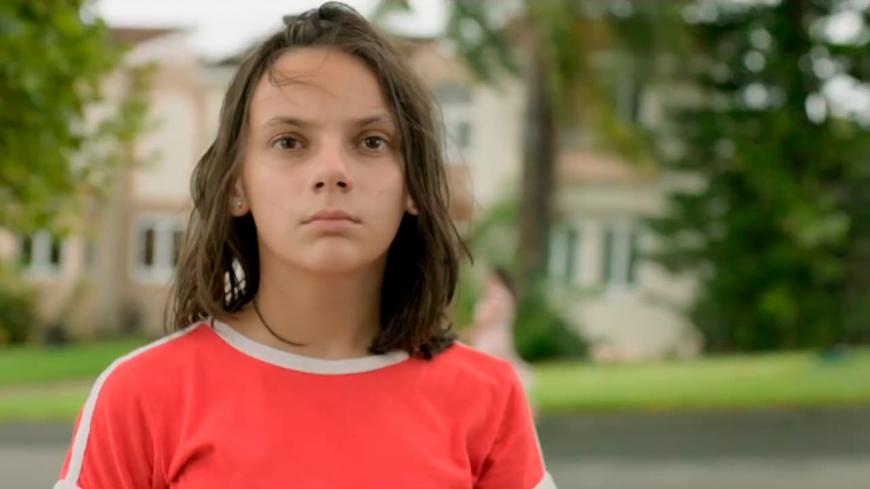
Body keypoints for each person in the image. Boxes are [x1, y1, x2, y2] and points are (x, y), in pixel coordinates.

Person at [54, 3, 557, 488]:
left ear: (411, 185)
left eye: (371, 141)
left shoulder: (487, 399)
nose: (332, 171)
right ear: (237, 185)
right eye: (290, 142)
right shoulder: (141, 397)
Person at [469, 267, 536, 401]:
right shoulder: (505, 295)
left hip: (491, 339)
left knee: (486, 370)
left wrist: (472, 330)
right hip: (498, 337)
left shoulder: (496, 294)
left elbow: (489, 318)